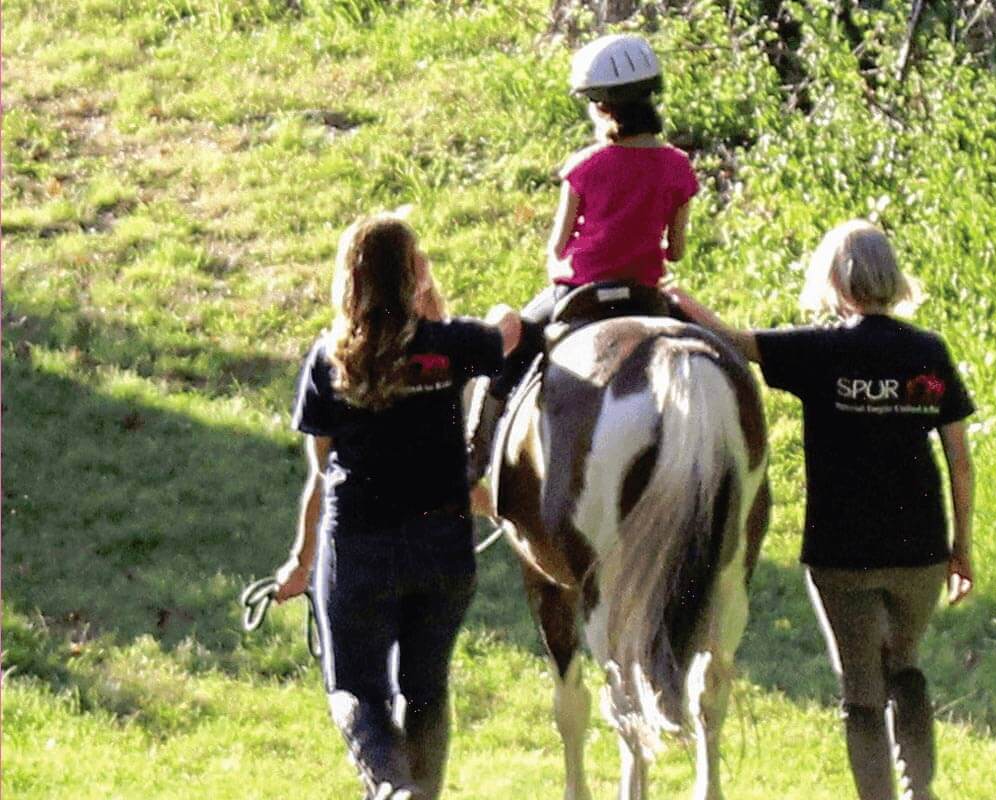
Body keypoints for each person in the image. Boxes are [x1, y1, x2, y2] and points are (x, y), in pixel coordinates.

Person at [668, 220, 975, 800]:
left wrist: (682, 304)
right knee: (904, 664)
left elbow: (735, 342)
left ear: (835, 278)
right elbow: (959, 457)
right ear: (891, 275)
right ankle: (922, 792)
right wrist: (962, 547)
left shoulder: (819, 350)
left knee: (861, 689)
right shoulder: (927, 352)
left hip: (842, 551)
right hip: (922, 548)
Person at [272, 210, 522, 800]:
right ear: (413, 273)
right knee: (427, 687)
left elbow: (319, 473)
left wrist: (301, 561)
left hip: (358, 546)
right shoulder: (449, 345)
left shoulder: (328, 359)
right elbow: (507, 331)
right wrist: (463, 309)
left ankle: (390, 787)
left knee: (355, 689)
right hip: (443, 549)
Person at [466, 33, 700, 484]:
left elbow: (557, 246)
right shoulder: (678, 167)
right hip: (647, 296)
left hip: (579, 292)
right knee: (714, 346)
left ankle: (477, 450)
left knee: (514, 344)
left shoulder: (584, 166)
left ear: (602, 107)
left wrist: (561, 267)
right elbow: (677, 250)